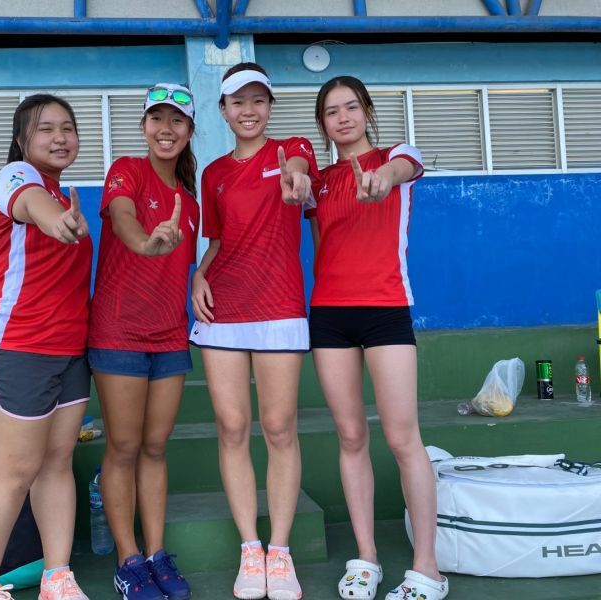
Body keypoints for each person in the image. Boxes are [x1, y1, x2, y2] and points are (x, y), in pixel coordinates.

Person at [308, 76, 448, 600]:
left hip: (386, 309)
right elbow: (322, 242)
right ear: (322, 124)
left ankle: (427, 568)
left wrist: (383, 178)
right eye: (331, 112)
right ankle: (366, 558)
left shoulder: (396, 157)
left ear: (366, 112)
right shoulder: (318, 182)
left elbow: (403, 167)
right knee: (350, 436)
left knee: (401, 438)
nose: (342, 118)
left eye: (351, 107)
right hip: (328, 316)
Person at [190, 63, 318, 600]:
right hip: (222, 309)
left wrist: (295, 176)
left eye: (257, 101)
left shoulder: (291, 149)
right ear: (222, 111)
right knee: (232, 427)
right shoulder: (213, 174)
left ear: (269, 106)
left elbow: (299, 169)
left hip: (281, 308)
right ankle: (250, 547)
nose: (248, 110)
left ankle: (280, 551)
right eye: (236, 102)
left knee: (280, 426)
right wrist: (199, 270)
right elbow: (218, 239)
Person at [0, 94, 93, 600]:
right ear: (21, 140)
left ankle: (57, 577)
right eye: (45, 129)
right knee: (14, 474)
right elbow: (29, 206)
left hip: (68, 351)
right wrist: (53, 220)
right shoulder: (16, 178)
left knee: (57, 464)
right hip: (13, 348)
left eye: (68, 127)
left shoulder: (63, 192)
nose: (60, 137)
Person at [89, 83, 199, 600]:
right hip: (118, 331)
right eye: (157, 119)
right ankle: (127, 559)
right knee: (125, 446)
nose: (166, 129)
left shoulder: (191, 200)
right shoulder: (125, 170)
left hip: (171, 335)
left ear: (190, 131)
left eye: (177, 121)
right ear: (144, 127)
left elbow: (197, 259)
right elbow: (124, 217)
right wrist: (145, 244)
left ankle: (156, 555)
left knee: (155, 447)